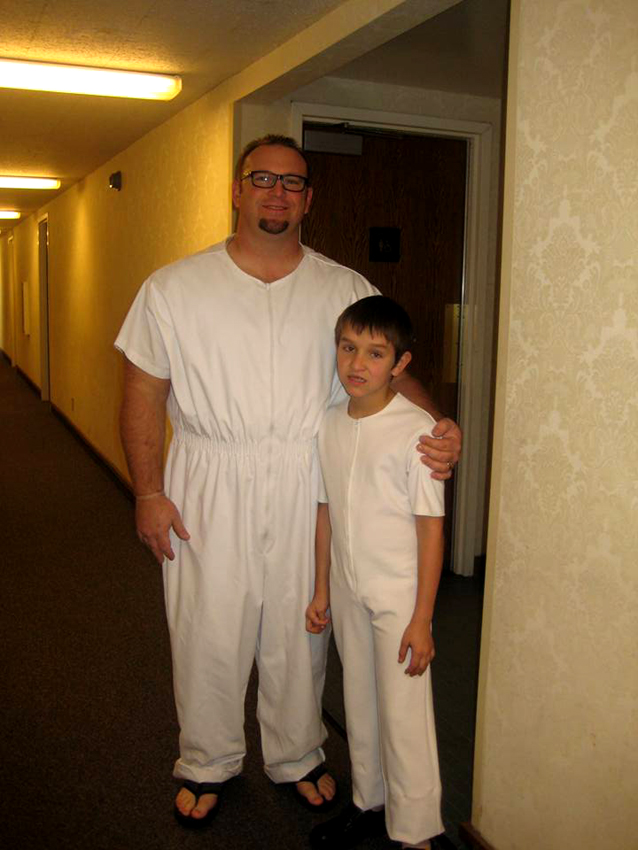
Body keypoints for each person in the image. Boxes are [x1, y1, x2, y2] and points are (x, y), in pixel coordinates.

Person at [115, 135, 461, 826]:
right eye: (263, 178)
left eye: (293, 182)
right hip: (209, 478)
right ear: (237, 190)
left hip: (309, 477)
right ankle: (207, 759)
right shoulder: (173, 288)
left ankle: (297, 752)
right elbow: (143, 392)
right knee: (208, 628)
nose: (278, 192)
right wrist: (148, 493)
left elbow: (391, 375)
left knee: (302, 628)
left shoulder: (345, 288)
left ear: (308, 200)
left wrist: (438, 426)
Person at [307, 295, 445, 850]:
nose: (357, 364)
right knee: (360, 701)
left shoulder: (417, 429)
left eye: (375, 353)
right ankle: (369, 802)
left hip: (399, 597)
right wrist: (322, 589)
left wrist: (423, 619)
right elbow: (325, 511)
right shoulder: (328, 424)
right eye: (348, 348)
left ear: (400, 363)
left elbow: (430, 529)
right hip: (347, 588)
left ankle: (416, 833)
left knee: (404, 714)